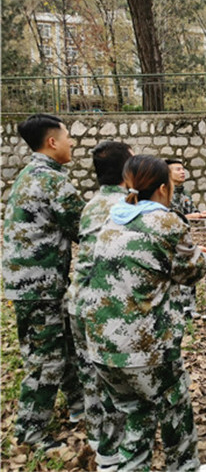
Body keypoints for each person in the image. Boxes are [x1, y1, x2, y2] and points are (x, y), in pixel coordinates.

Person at [80, 155, 206, 471]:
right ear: (165, 188)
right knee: (173, 402)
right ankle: (185, 467)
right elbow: (190, 272)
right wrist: (201, 257)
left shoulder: (114, 219)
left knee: (134, 411)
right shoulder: (166, 222)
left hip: (101, 343)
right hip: (145, 346)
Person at [2, 113, 85, 453]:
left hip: (32, 284)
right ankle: (29, 435)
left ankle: (81, 406)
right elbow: (84, 228)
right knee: (45, 360)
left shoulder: (30, 174)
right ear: (52, 142)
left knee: (64, 347)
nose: (71, 144)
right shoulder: (52, 181)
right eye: (68, 138)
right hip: (40, 287)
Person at [65, 141, 133, 468]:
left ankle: (99, 442)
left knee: (90, 376)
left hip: (79, 302)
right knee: (116, 382)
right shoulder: (129, 204)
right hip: (107, 308)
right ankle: (114, 454)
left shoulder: (91, 204)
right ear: (127, 171)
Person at [165, 158, 206, 318]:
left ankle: (189, 309)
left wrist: (201, 214)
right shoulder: (164, 192)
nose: (182, 172)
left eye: (183, 169)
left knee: (189, 271)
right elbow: (168, 217)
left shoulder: (184, 193)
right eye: (177, 169)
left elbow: (191, 211)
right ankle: (178, 310)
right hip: (170, 240)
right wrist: (190, 216)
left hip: (185, 239)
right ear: (167, 173)